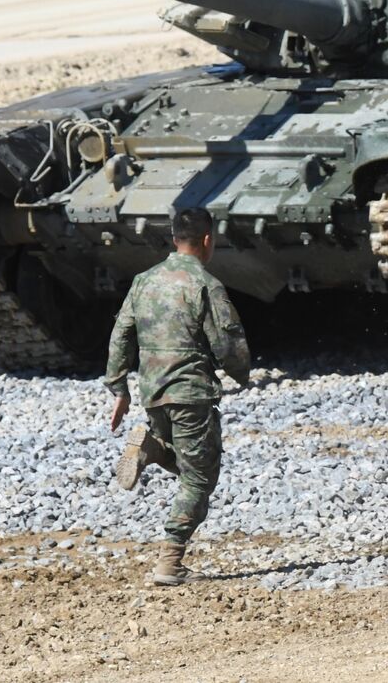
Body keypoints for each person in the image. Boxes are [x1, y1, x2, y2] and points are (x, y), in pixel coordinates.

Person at [104, 207, 251, 586]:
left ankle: (151, 447)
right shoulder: (205, 283)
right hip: (190, 393)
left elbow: (121, 333)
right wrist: (241, 373)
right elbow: (227, 340)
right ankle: (170, 561)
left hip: (152, 390)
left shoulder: (143, 281)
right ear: (207, 241)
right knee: (200, 476)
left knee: (188, 462)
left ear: (173, 240)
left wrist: (118, 387)